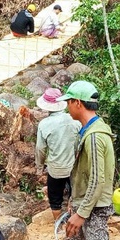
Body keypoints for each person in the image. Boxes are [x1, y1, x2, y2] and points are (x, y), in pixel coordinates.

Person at [53, 81, 120, 240]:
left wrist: (81, 213)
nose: (67, 106)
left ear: (78, 103)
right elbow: (85, 175)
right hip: (84, 203)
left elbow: (97, 180)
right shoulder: (89, 130)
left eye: (69, 101)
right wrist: (73, 203)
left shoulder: (95, 136)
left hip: (94, 208)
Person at [35, 88, 80, 220]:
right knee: (75, 194)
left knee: (55, 197)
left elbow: (40, 149)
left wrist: (39, 167)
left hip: (55, 168)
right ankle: (74, 220)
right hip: (74, 166)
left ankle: (58, 224)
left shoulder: (44, 124)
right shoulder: (74, 119)